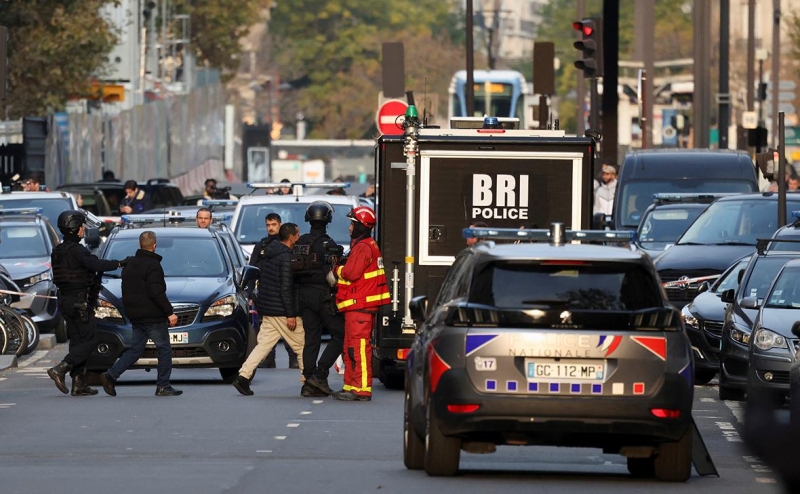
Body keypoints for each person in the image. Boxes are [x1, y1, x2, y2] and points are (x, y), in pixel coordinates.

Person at [46, 210, 128, 396]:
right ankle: (61, 368)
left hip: (66, 301)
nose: (84, 229)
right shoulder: (77, 251)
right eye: (81, 226)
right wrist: (120, 264)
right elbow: (96, 265)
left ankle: (78, 383)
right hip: (79, 301)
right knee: (91, 340)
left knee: (77, 341)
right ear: (75, 229)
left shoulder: (58, 250)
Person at [100, 231, 182, 397]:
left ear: (139, 245)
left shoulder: (130, 265)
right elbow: (156, 291)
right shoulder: (153, 265)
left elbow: (126, 290)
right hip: (153, 315)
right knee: (164, 349)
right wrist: (169, 312)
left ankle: (111, 375)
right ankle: (163, 385)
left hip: (135, 315)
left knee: (136, 349)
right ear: (154, 246)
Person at [232, 223, 305, 396]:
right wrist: (290, 314)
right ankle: (309, 381)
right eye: (298, 234)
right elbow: (286, 287)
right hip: (281, 310)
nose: (299, 236)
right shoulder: (286, 257)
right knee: (303, 346)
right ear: (291, 237)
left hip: (268, 308)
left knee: (262, 346)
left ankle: (243, 377)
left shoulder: (271, 253)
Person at [332, 206, 391, 401]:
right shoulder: (365, 245)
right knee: (351, 347)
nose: (349, 228)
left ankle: (362, 389)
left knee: (359, 348)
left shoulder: (363, 247)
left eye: (352, 224)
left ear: (361, 226)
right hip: (356, 306)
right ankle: (351, 385)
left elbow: (351, 273)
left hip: (360, 306)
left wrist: (337, 270)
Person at [294, 201, 345, 398]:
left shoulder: (301, 242)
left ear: (308, 219)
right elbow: (332, 276)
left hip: (304, 295)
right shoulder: (329, 245)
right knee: (340, 334)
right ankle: (320, 374)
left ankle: (308, 382)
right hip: (323, 295)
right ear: (327, 220)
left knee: (311, 339)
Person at [248, 212, 299, 369]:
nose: (270, 228)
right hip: (266, 294)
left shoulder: (290, 244)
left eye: (274, 225)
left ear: (280, 224)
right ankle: (268, 358)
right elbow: (252, 270)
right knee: (266, 330)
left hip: (286, 292)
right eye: (268, 225)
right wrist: (249, 293)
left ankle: (294, 358)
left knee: (290, 326)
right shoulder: (262, 246)